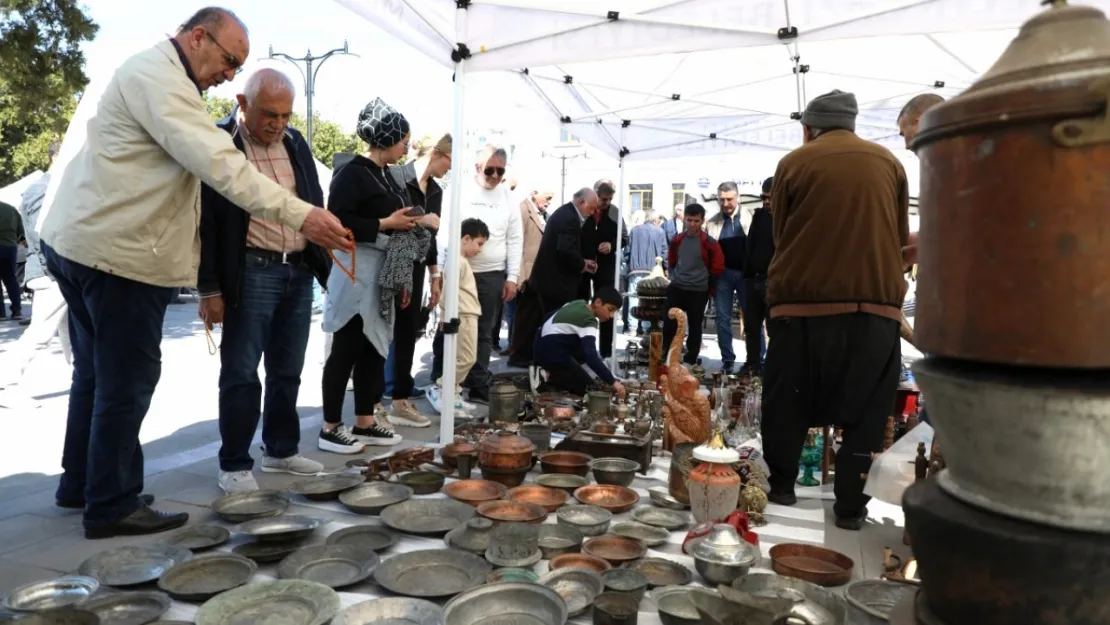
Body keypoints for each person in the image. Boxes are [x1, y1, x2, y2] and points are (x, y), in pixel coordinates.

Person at [38, 7, 351, 540]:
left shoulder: (158, 76)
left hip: (87, 245)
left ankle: (85, 482)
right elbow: (221, 166)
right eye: (230, 61)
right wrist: (303, 215)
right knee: (125, 382)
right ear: (198, 37)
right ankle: (111, 503)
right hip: (117, 256)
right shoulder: (160, 80)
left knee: (95, 375)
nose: (229, 72)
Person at [761, 89, 909, 531]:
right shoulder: (889, 163)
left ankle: (783, 487)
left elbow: (781, 234)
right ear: (853, 125)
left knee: (787, 403)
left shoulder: (794, 163)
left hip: (802, 307)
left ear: (808, 128)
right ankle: (849, 509)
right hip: (875, 309)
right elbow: (898, 235)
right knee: (866, 414)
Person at [195, 69, 331, 494]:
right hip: (251, 270)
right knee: (241, 371)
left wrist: (318, 257)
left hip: (297, 269)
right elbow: (207, 223)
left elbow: (312, 200)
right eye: (269, 114)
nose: (278, 124)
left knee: (287, 370)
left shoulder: (295, 143)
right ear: (242, 102)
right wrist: (210, 288)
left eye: (286, 115)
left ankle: (281, 449)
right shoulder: (220, 144)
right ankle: (234, 462)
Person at [320, 97, 423, 453]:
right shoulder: (351, 172)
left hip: (381, 273)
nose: (406, 147)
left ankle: (364, 420)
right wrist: (386, 223)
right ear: (387, 137)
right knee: (346, 347)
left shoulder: (385, 174)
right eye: (404, 140)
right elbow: (337, 221)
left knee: (373, 349)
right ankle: (330, 425)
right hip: (354, 270)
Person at [429, 145, 522, 406]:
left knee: (483, 332)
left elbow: (515, 239)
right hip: (457, 270)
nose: (494, 176)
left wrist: (512, 276)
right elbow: (444, 232)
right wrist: (438, 272)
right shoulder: (458, 190)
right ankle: (441, 378)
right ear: (477, 167)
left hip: (492, 274)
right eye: (489, 170)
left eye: (500, 171)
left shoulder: (509, 197)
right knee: (448, 325)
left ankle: (476, 381)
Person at [383, 134, 452, 427]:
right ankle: (375, 402)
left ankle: (400, 399)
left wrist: (435, 275)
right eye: (450, 161)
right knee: (381, 330)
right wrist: (421, 220)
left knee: (408, 331)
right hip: (388, 263)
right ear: (437, 153)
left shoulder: (436, 190)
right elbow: (387, 220)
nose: (450, 169)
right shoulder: (397, 176)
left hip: (417, 266)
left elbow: (432, 237)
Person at [0, 147, 72, 410]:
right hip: (52, 272)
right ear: (56, 157)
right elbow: (45, 235)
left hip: (54, 271)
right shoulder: (44, 189)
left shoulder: (49, 187)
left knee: (67, 331)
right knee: (40, 333)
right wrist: (56, 269)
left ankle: (85, 380)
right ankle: (6, 384)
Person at [509, 188, 598, 365]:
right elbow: (565, 250)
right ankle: (544, 358)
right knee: (550, 322)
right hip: (555, 283)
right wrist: (582, 264)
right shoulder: (570, 218)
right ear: (581, 202)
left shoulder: (564, 213)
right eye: (592, 207)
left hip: (548, 280)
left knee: (537, 320)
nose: (593, 212)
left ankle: (531, 356)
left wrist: (582, 262)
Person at [432, 218, 489, 419]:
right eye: (479, 243)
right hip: (463, 315)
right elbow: (448, 291)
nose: (480, 249)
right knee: (467, 358)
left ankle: (452, 392)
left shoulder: (460, 261)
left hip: (468, 313)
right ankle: (442, 388)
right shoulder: (457, 261)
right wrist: (446, 314)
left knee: (464, 357)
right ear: (466, 238)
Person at [534, 285, 626, 398]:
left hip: (539, 347)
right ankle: (551, 380)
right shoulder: (589, 320)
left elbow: (548, 317)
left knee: (579, 347)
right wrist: (613, 382)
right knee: (589, 389)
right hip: (554, 354)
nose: (611, 315)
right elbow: (591, 357)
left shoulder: (577, 304)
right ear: (598, 302)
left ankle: (553, 374)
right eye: (610, 309)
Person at [662, 203, 725, 365]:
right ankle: (667, 357)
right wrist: (674, 275)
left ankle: (690, 359)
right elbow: (672, 260)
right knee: (669, 322)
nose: (692, 224)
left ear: (702, 221)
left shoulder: (709, 242)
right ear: (685, 219)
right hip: (678, 286)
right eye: (690, 220)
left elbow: (718, 265)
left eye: (696, 221)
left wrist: (709, 284)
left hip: (698, 290)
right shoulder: (677, 239)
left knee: (695, 326)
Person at [706, 181, 753, 374]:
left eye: (729, 199)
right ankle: (727, 359)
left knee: (751, 318)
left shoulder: (751, 218)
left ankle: (755, 359)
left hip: (745, 275)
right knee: (722, 318)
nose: (725, 203)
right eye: (721, 200)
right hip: (723, 275)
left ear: (738, 197)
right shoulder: (713, 221)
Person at [501, 189, 552, 358]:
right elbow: (516, 244)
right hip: (524, 275)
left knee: (526, 314)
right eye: (548, 197)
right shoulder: (523, 209)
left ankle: (520, 347)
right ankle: (515, 347)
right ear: (535, 193)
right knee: (518, 314)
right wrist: (518, 276)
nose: (549, 201)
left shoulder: (541, 213)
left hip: (534, 274)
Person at [578, 180, 626, 358]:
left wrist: (611, 245)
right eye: (603, 199)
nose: (606, 203)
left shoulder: (614, 212)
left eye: (609, 199)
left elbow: (624, 237)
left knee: (607, 306)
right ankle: (580, 350)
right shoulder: (585, 209)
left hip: (605, 268)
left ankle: (605, 352)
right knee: (582, 304)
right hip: (583, 266)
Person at [741, 177, 774, 375]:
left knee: (773, 328)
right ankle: (752, 363)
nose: (767, 201)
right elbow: (750, 244)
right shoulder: (759, 215)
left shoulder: (787, 217)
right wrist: (747, 276)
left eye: (770, 197)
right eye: (764, 197)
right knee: (752, 326)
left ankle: (771, 367)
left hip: (774, 282)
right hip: (754, 279)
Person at [626, 209, 668, 335]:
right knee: (649, 300)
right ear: (655, 220)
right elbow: (664, 252)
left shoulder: (634, 230)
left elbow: (627, 250)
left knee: (634, 297)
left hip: (635, 269)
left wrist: (630, 264)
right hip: (653, 271)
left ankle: (632, 328)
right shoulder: (660, 232)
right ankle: (646, 328)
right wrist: (666, 268)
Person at [0, 200, 23, 321]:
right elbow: (21, 231)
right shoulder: (11, 209)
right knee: (11, 279)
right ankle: (17, 310)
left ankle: (1, 314)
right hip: (10, 247)